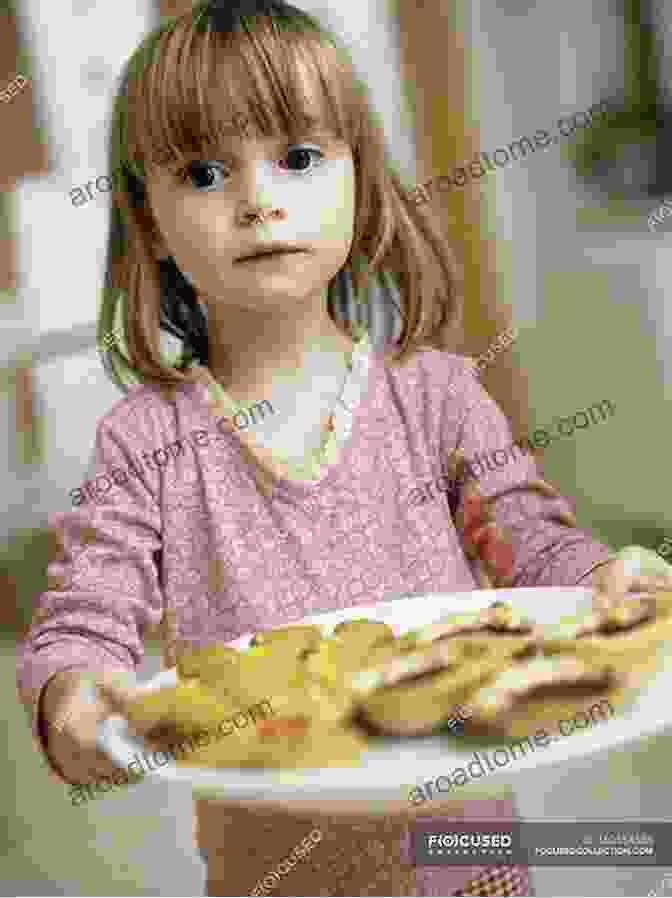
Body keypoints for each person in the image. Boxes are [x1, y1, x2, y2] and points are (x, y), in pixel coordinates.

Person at [16, 1, 672, 895]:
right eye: (204, 171)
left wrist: (599, 580)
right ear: (149, 222)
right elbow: (89, 607)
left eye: (296, 158)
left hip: (466, 858)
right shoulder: (143, 442)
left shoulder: (436, 392)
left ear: (363, 182)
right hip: (270, 871)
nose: (257, 200)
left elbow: (530, 538)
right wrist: (73, 693)